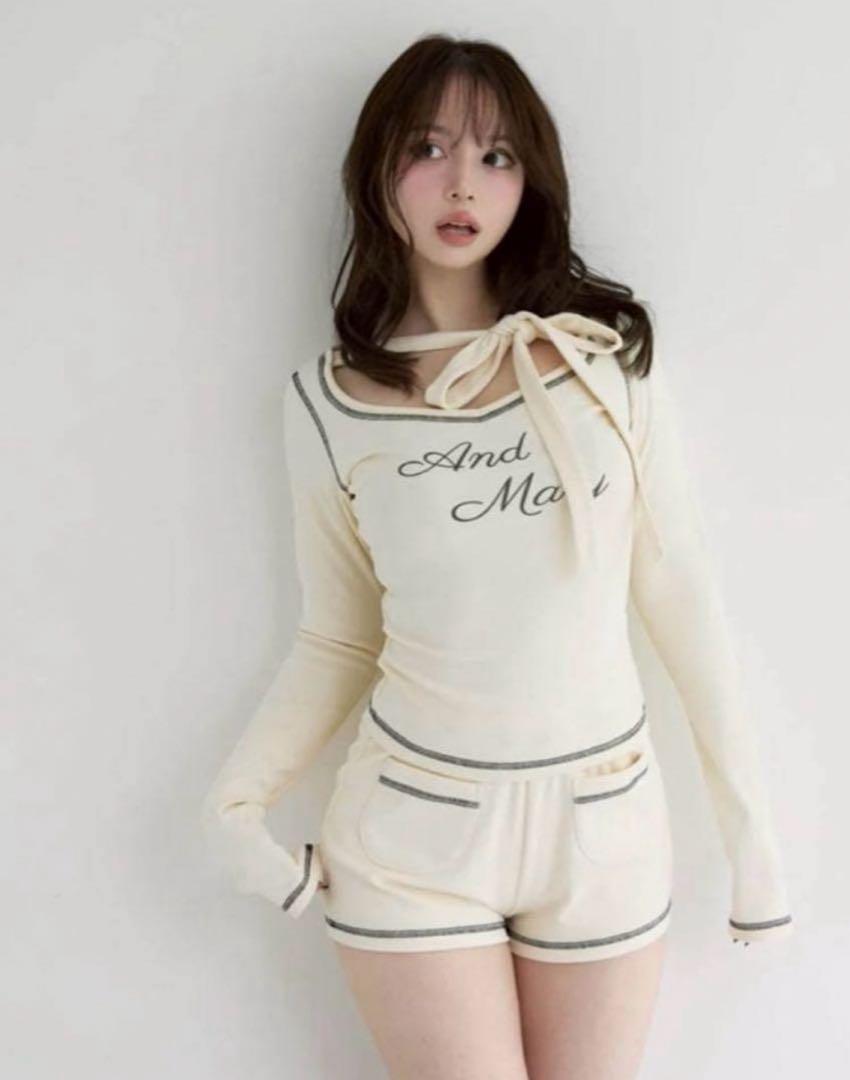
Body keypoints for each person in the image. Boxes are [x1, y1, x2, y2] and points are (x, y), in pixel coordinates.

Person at [200, 32, 794, 1080]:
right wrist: (232, 806)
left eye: (497, 155)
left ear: (531, 182)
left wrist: (754, 837)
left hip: (602, 821)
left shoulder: (605, 363)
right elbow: (339, 638)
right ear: (378, 171)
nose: (463, 184)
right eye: (428, 149)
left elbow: (677, 590)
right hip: (412, 835)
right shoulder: (326, 405)